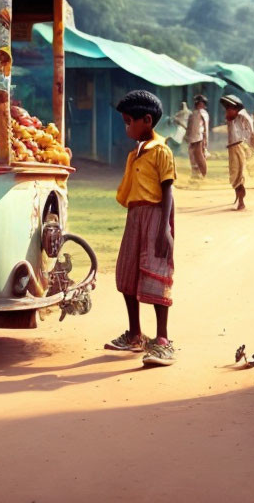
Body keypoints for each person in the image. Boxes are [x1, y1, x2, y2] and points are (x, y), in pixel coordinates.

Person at [105, 90, 177, 367]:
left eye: (128, 122)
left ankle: (162, 340)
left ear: (146, 120)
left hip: (155, 215)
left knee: (155, 275)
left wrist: (165, 230)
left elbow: (168, 189)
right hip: (135, 217)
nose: (126, 127)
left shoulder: (162, 151)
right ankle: (135, 334)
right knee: (127, 273)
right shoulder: (135, 152)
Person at [220, 94, 254, 210]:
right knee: (234, 175)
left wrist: (252, 145)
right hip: (231, 148)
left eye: (229, 108)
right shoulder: (230, 119)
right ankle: (237, 197)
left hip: (239, 148)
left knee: (239, 175)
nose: (227, 111)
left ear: (235, 109)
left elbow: (250, 127)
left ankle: (241, 201)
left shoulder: (242, 116)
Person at [184, 94, 209, 178]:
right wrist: (187, 136)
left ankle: (203, 174)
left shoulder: (203, 113)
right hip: (192, 138)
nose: (197, 103)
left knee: (199, 156)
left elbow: (204, 128)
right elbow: (189, 126)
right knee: (192, 156)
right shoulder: (193, 113)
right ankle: (195, 174)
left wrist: (204, 140)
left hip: (199, 138)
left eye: (199, 102)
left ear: (203, 104)